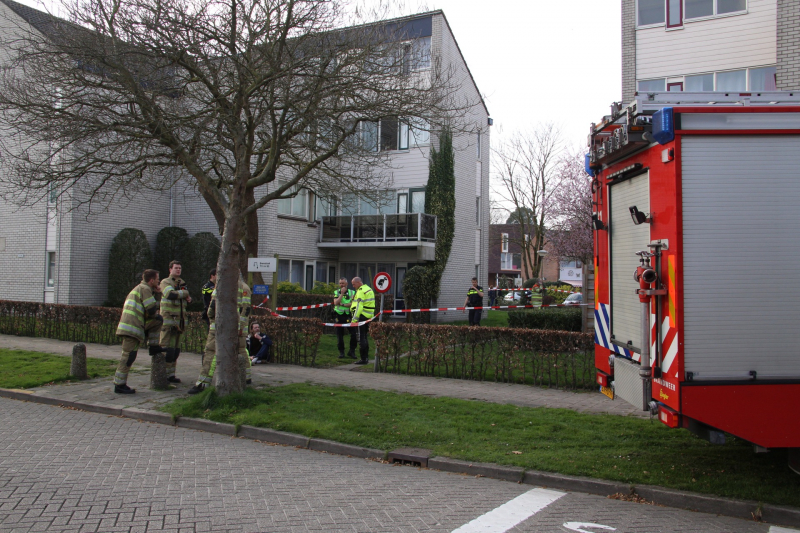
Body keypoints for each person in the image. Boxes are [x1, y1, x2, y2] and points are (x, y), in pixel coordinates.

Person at [113, 269, 163, 394]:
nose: (159, 282)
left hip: (132, 326)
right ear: (151, 280)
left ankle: (153, 346)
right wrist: (158, 295)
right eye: (157, 279)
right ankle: (119, 384)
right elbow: (151, 310)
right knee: (128, 356)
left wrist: (156, 294)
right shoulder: (145, 289)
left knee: (130, 355)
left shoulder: (142, 288)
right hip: (132, 327)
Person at [159, 260, 192, 384]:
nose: (178, 270)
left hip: (179, 323)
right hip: (168, 322)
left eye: (180, 268)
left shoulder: (182, 282)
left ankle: (171, 375)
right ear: (170, 269)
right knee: (167, 350)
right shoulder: (165, 282)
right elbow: (170, 294)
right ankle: (162, 375)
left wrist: (188, 299)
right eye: (176, 268)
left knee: (175, 351)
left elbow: (183, 299)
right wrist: (185, 293)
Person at [350, 276, 375, 365]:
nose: (353, 286)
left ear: (358, 283)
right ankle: (366, 358)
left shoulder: (361, 291)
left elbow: (359, 306)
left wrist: (354, 320)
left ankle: (363, 359)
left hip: (361, 316)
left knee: (361, 338)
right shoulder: (368, 289)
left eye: (354, 284)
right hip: (368, 316)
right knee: (364, 337)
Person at [333, 277, 357, 359]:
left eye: (343, 283)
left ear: (346, 284)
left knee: (353, 334)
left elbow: (352, 303)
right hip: (338, 315)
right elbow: (336, 302)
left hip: (348, 315)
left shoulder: (352, 292)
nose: (341, 285)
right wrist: (341, 294)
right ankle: (341, 352)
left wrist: (342, 304)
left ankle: (352, 351)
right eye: (340, 283)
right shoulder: (337, 292)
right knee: (339, 335)